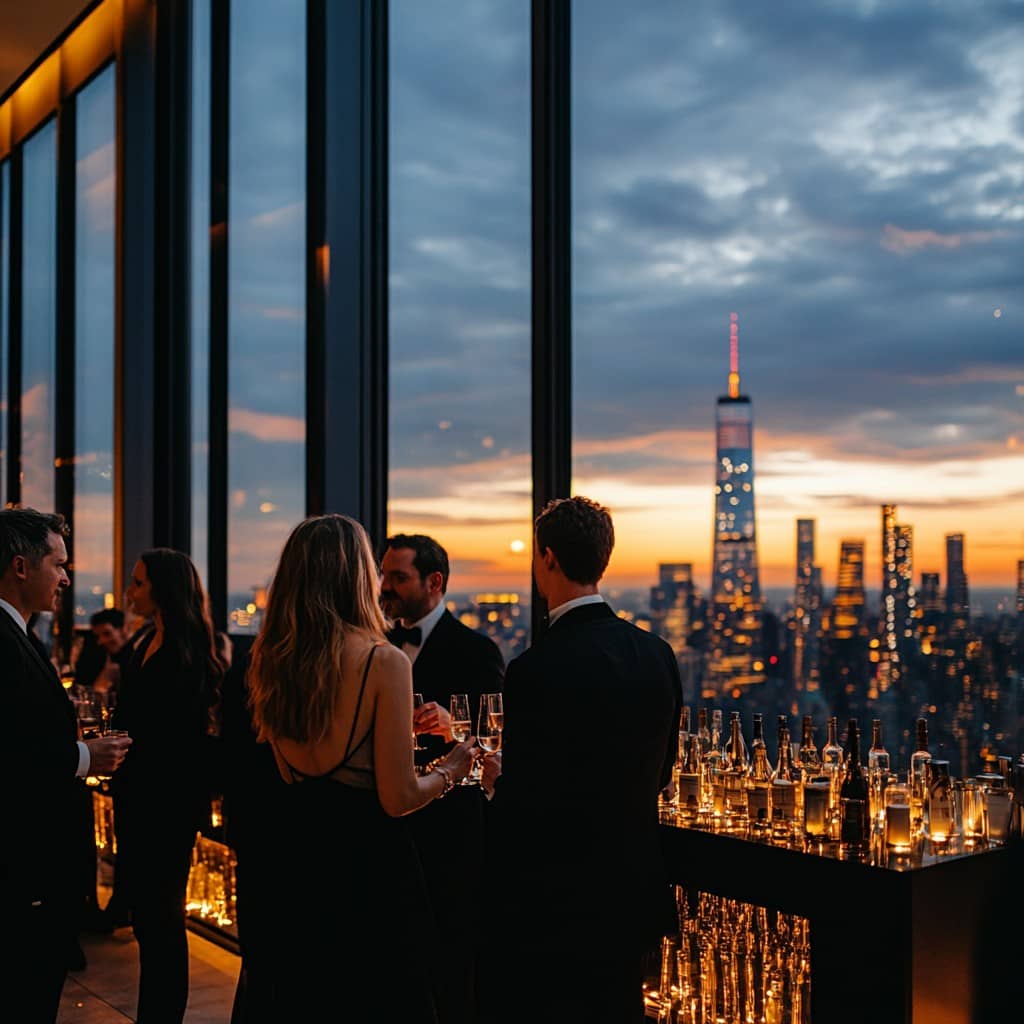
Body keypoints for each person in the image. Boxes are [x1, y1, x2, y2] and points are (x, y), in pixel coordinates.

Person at [243, 514, 477, 1022]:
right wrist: (453, 767)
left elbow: (294, 770)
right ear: (354, 575)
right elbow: (397, 798)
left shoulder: (271, 658)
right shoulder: (383, 661)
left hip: (296, 862)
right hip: (368, 871)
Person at [482, 496, 681, 1024]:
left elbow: (526, 807)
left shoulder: (533, 670)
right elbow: (661, 774)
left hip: (555, 905)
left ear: (546, 558)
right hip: (631, 892)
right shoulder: (656, 653)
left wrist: (493, 780)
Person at [0, 508, 132, 1023]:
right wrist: (83, 756)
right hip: (22, 873)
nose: (66, 577)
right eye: (58, 564)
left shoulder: (23, 636)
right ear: (20, 566)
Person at [380, 533, 505, 1024]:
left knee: (451, 963)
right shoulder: (379, 646)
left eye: (398, 577)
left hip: (450, 831)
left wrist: (452, 726)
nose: (385, 586)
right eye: (384, 575)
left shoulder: (476, 649)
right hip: (391, 820)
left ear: (435, 582)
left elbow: (495, 736)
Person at [111, 548, 226, 1023]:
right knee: (147, 917)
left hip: (168, 803)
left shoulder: (188, 650)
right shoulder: (144, 640)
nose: (129, 592)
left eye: (137, 583)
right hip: (137, 796)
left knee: (162, 917)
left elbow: (189, 742)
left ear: (163, 589)